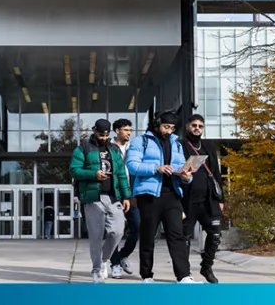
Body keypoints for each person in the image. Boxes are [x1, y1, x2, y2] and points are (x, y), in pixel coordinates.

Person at [126, 110, 199, 283]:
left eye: (172, 128)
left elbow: (181, 166)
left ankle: (184, 275)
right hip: (149, 195)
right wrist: (156, 168)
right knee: (148, 235)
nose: (169, 131)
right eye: (166, 127)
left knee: (177, 235)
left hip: (172, 194)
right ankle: (146, 274)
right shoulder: (140, 141)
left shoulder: (176, 143)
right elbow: (132, 166)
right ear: (157, 124)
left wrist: (187, 176)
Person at [69, 119, 131, 283]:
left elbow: (121, 175)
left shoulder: (114, 149)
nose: (103, 137)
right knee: (96, 235)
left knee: (117, 231)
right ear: (94, 130)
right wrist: (93, 174)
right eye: (100, 134)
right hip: (93, 197)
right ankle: (96, 269)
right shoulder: (83, 148)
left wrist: (126, 196)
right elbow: (74, 170)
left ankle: (104, 260)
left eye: (106, 135)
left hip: (113, 197)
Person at [180, 114, 225, 284]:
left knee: (215, 234)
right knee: (184, 237)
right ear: (187, 126)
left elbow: (216, 173)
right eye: (194, 125)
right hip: (187, 199)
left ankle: (207, 267)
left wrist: (221, 198)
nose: (197, 128)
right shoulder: (181, 145)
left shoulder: (208, 146)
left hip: (209, 199)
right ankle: (185, 273)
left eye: (200, 126)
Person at [109, 118, 140, 279]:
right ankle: (114, 264)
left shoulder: (134, 147)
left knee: (137, 227)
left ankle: (123, 255)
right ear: (117, 131)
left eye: (130, 130)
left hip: (132, 194)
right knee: (114, 231)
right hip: (114, 194)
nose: (129, 133)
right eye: (126, 130)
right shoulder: (108, 147)